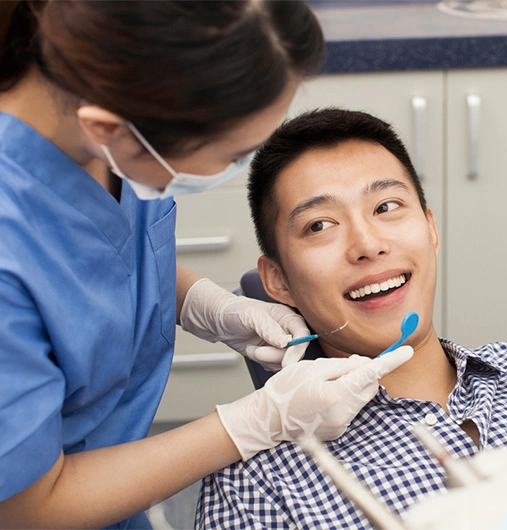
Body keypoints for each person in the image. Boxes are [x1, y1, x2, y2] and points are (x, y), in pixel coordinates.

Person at [0, 3, 412, 529]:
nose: (369, 246)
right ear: (108, 128)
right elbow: (24, 508)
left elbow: (103, 259)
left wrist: (206, 305)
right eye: (233, 154)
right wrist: (255, 423)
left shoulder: (109, 115)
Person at [197, 108, 507, 528]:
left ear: (431, 229)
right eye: (320, 225)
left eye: (386, 206)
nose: (367, 244)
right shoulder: (258, 486)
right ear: (278, 281)